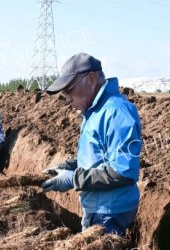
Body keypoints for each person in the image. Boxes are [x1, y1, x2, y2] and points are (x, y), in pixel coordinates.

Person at [41, 53, 142, 236]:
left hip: (109, 212)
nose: (67, 99)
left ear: (92, 79)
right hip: (100, 206)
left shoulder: (115, 112)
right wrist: (71, 165)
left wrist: (73, 178)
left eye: (69, 90)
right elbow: (101, 156)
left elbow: (123, 171)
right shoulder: (95, 110)